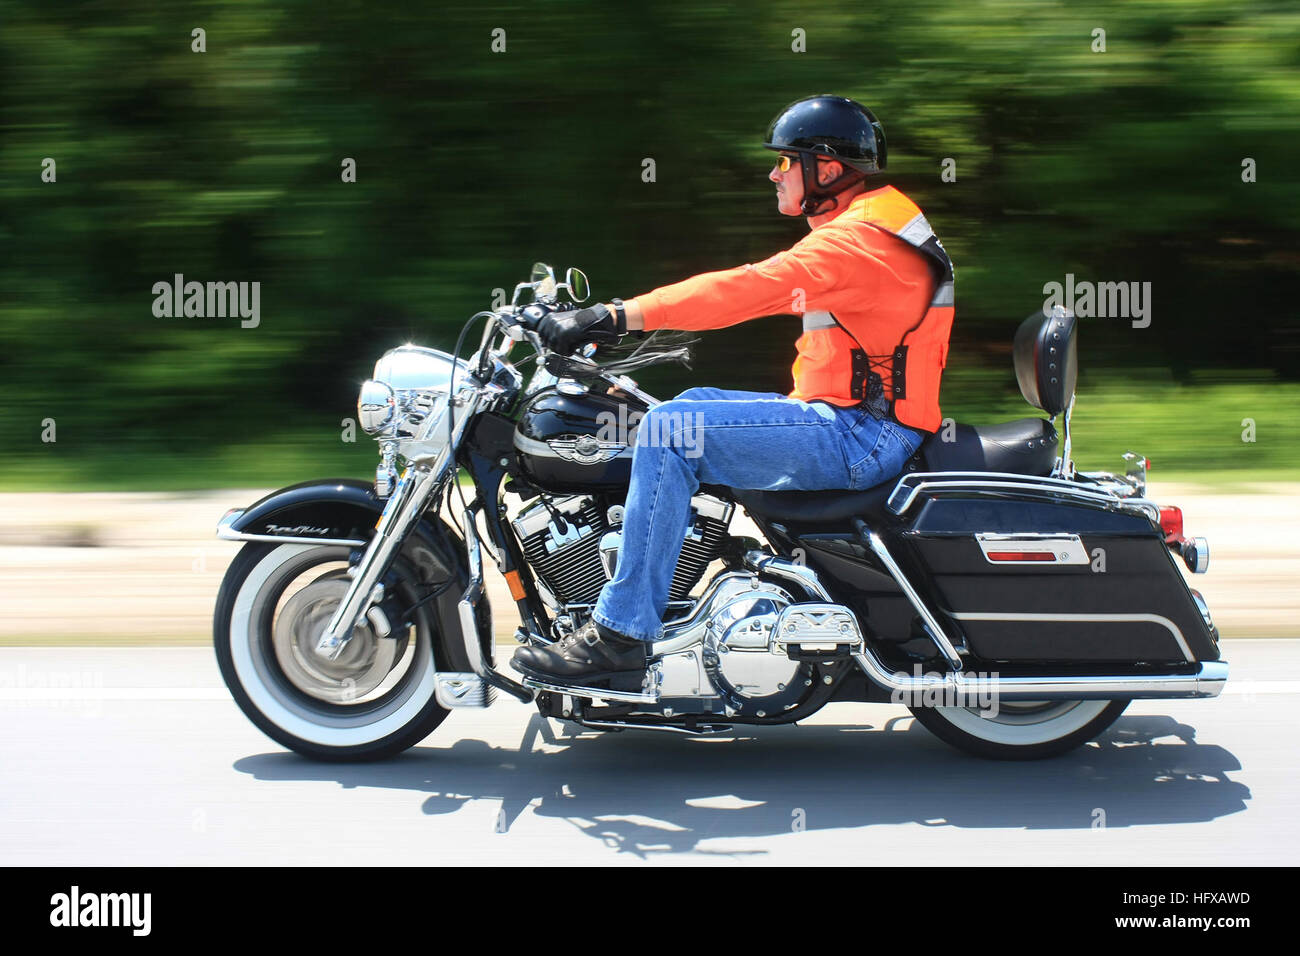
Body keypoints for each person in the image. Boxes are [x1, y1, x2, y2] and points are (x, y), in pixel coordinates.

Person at [510, 94, 955, 690]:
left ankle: (620, 636)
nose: (773, 174)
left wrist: (615, 315)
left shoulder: (856, 243)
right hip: (847, 419)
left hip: (860, 435)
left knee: (670, 434)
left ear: (824, 169)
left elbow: (742, 291)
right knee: (680, 408)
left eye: (784, 162)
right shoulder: (871, 223)